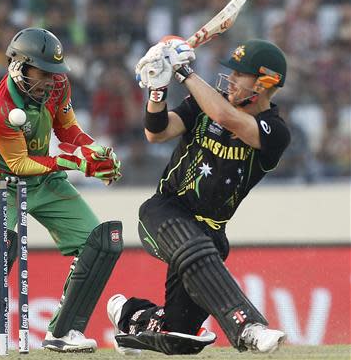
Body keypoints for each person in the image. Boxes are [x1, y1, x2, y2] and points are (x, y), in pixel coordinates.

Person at [107, 37, 291, 355]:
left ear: (264, 83)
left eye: (239, 75)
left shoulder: (275, 131)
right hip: (164, 212)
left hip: (210, 232)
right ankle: (248, 326)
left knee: (180, 337)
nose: (230, 79)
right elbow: (157, 131)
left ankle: (129, 316)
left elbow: (227, 119)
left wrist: (183, 72)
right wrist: (157, 90)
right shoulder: (205, 104)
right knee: (196, 246)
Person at [0, 27, 122, 354]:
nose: (51, 80)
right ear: (19, 66)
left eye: (55, 73)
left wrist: (96, 154)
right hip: (1, 182)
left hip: (45, 181)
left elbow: (68, 130)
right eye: (43, 72)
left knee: (101, 243)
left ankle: (64, 332)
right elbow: (19, 164)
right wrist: (75, 164)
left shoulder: (57, 86)